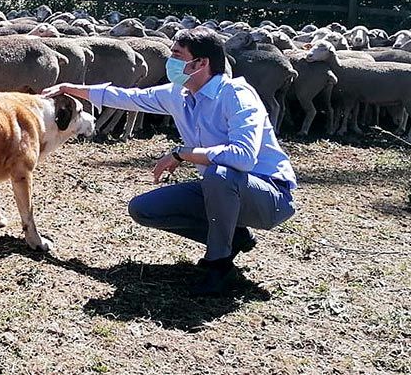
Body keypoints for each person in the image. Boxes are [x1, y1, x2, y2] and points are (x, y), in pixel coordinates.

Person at [42, 26, 297, 296]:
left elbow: (243, 158)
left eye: (177, 56)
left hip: (269, 196)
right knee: (144, 209)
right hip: (221, 190)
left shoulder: (236, 96)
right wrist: (72, 89)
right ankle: (234, 236)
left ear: (201, 63)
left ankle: (218, 265)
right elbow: (129, 97)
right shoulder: (180, 94)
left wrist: (181, 154)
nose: (170, 62)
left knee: (219, 174)